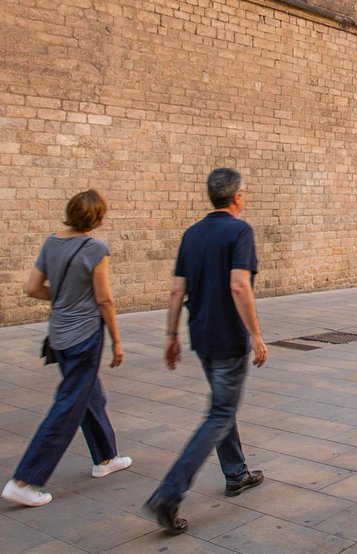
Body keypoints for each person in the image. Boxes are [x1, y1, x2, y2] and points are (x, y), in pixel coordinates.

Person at [144, 168, 268, 535]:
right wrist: (257, 336)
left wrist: (171, 335)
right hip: (229, 337)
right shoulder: (239, 231)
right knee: (219, 413)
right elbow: (239, 287)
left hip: (201, 335)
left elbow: (175, 290)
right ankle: (169, 492)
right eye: (245, 192)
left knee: (221, 405)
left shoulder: (192, 234)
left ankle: (236, 473)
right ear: (237, 197)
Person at [3, 190, 130, 508]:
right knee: (67, 408)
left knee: (90, 395)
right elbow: (104, 299)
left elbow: (33, 288)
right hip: (85, 336)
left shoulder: (51, 242)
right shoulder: (95, 248)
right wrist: (116, 341)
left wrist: (62, 298)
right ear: (98, 218)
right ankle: (24, 480)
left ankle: (105, 457)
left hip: (59, 334)